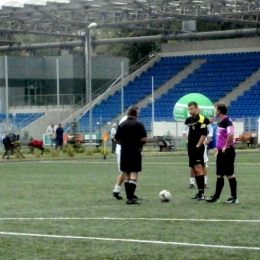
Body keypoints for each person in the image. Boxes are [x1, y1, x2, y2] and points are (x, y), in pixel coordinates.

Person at [206, 103, 238, 203]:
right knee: (219, 175)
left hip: (227, 151)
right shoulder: (220, 122)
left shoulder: (227, 121)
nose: (215, 111)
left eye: (216, 109)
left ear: (219, 111)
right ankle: (216, 197)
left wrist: (226, 146)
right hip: (220, 152)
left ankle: (234, 197)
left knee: (230, 174)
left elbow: (231, 134)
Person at [114, 105, 147, 205]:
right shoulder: (139, 124)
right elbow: (144, 139)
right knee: (134, 173)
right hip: (135, 151)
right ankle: (131, 197)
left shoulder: (122, 124)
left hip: (124, 151)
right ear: (136, 114)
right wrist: (139, 143)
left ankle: (129, 197)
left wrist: (124, 143)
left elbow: (116, 140)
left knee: (127, 174)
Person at [183, 101, 210, 201]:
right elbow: (185, 132)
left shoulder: (202, 119)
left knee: (199, 168)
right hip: (190, 148)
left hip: (198, 148)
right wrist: (187, 142)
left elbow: (204, 134)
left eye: (192, 109)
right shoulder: (189, 120)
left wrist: (198, 145)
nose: (190, 111)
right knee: (194, 169)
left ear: (197, 108)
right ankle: (199, 192)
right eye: (189, 109)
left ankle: (202, 193)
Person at [112, 116, 127, 200]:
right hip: (122, 149)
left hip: (123, 149)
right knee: (126, 171)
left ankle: (117, 190)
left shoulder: (127, 120)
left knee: (126, 171)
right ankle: (117, 190)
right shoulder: (126, 121)